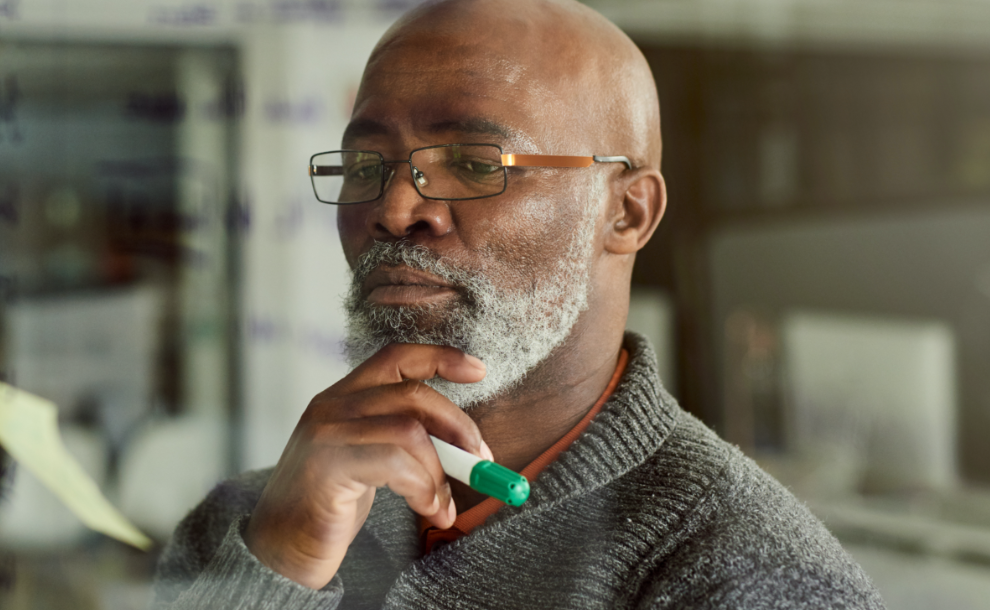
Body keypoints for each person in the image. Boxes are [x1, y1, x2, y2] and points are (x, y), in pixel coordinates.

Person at [153, 0, 884, 607]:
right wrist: (272, 569)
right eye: (367, 164)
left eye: (475, 164)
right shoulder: (247, 525)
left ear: (626, 213)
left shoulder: (750, 576)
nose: (396, 206)